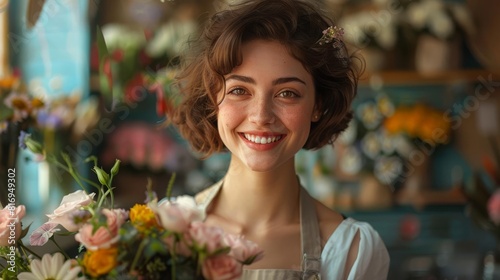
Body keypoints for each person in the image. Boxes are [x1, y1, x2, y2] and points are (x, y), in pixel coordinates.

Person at [168, 0, 390, 279]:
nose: (261, 116)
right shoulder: (165, 232)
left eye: (287, 93)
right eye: (239, 90)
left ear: (317, 105)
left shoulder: (351, 251)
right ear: (214, 98)